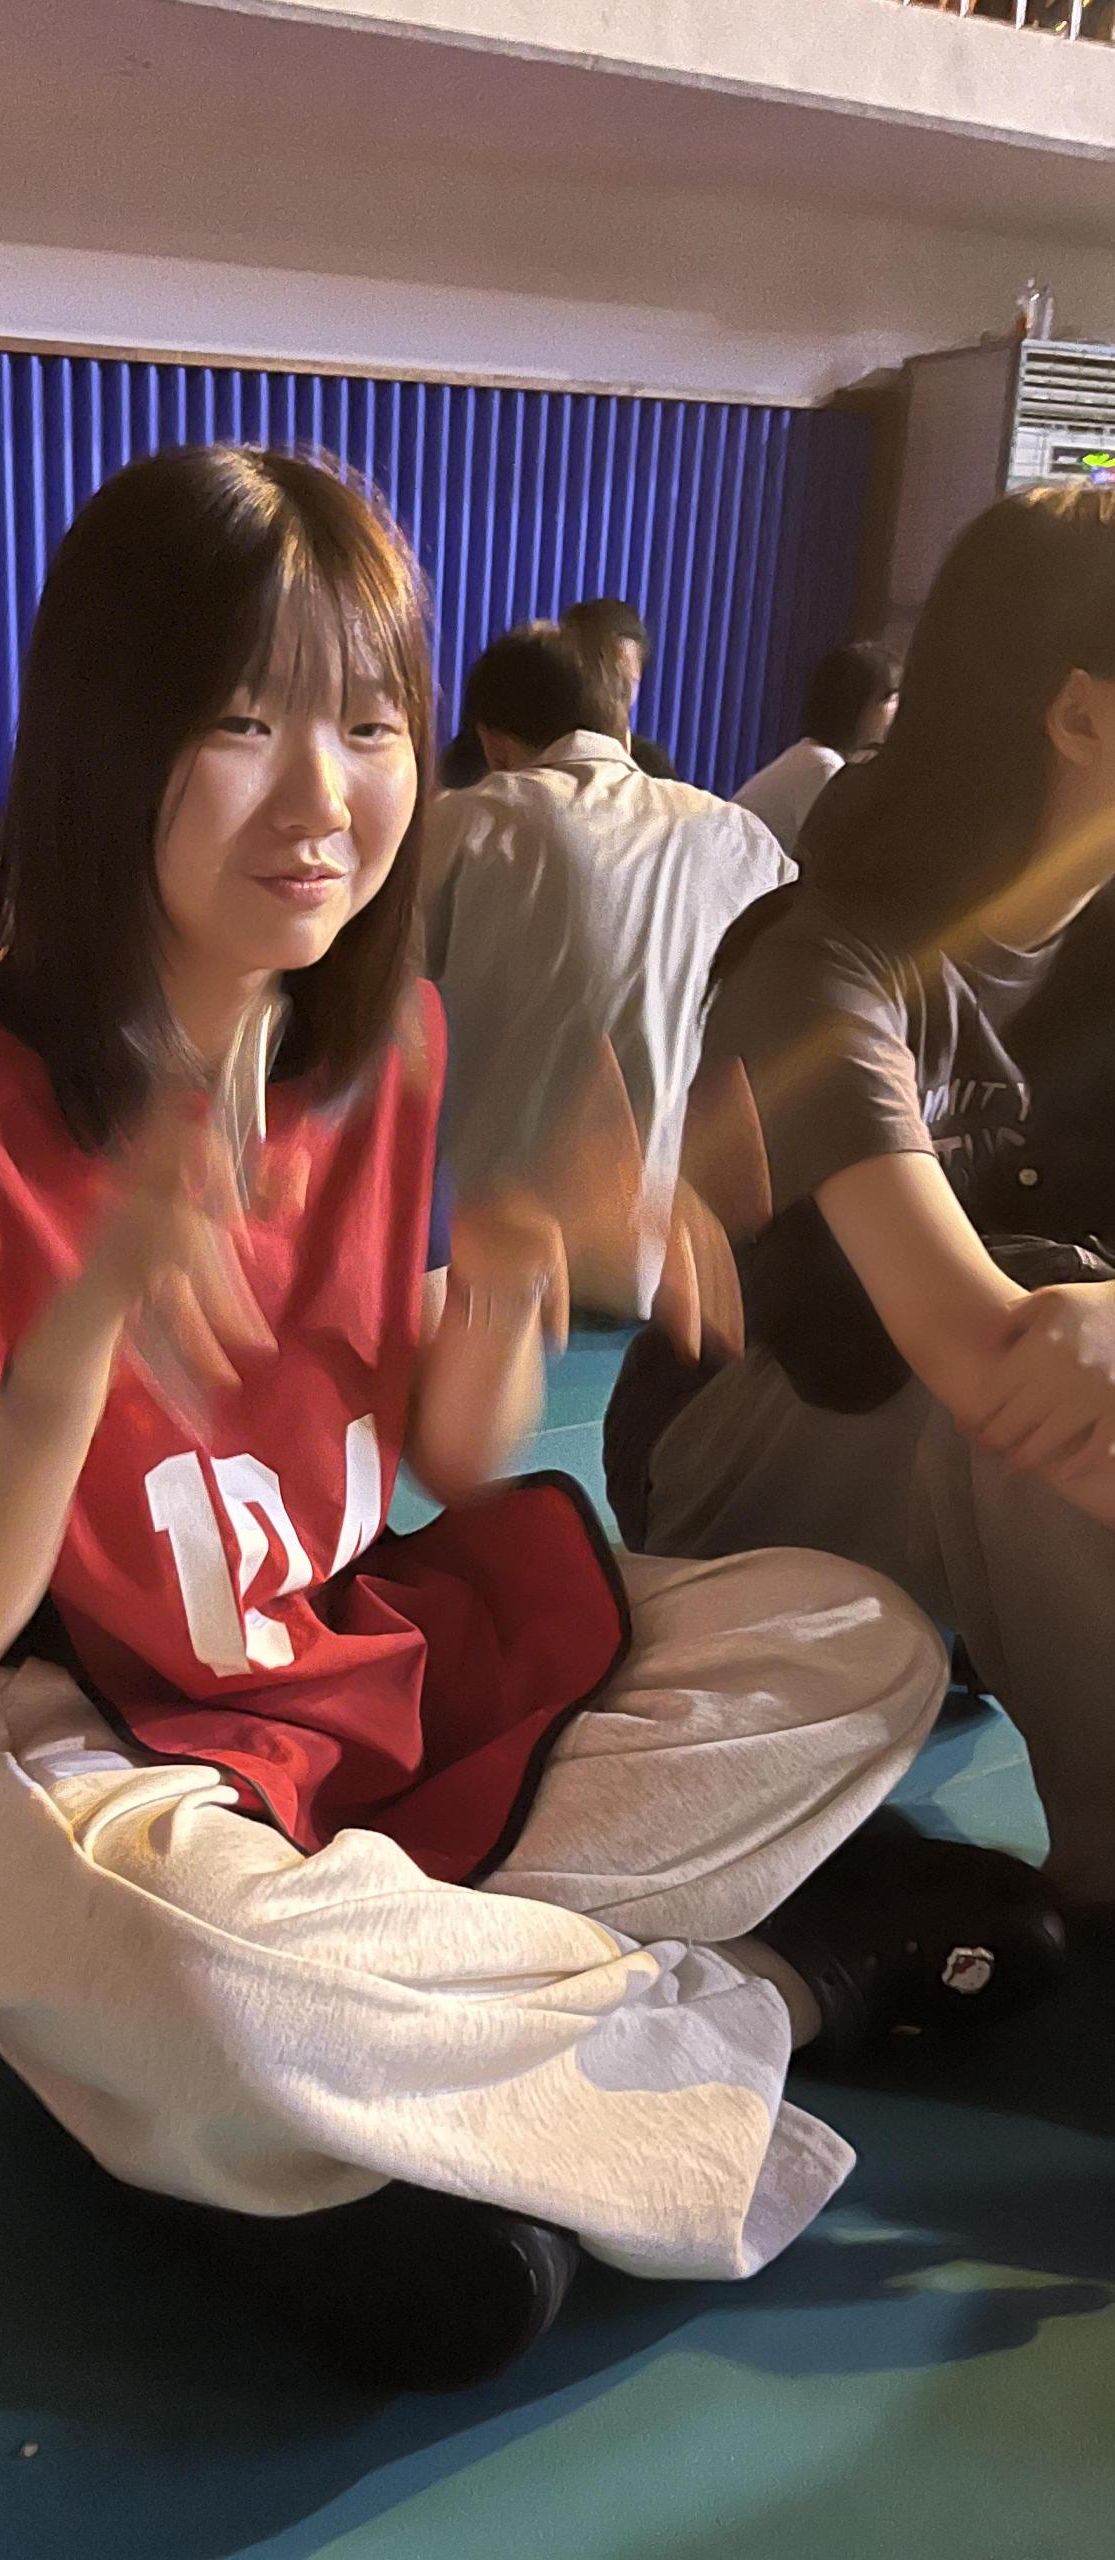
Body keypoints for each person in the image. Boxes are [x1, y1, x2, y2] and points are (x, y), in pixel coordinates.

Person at [0, 446, 1055, 2394]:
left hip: (343, 1663)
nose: (323, 797)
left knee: (856, 1635)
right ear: (106, 742)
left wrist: (518, 1274)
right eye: (240, 722)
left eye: (369, 726)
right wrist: (85, 1333)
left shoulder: (386, 1046)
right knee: (181, 1945)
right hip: (71, 1744)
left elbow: (436, 1458)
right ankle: (769, 1983)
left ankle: (340, 2073)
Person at [606, 485, 1115, 1926]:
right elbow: (977, 1346)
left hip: (1009, 1448)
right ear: (1080, 714)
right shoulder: (822, 962)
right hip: (741, 1460)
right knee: (1028, 1369)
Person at [424, 620, 792, 1309]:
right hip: (669, 1280)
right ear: (620, 726)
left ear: (493, 744)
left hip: (483, 1271)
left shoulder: (471, 822)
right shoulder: (741, 838)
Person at [733, 642, 902, 858]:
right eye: (890, 699)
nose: (896, 710)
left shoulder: (812, 755)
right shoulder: (823, 767)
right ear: (857, 705)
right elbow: (835, 857)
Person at [561, 597, 678, 781]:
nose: (608, 694)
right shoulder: (533, 754)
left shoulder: (650, 766)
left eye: (624, 685)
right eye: (599, 677)